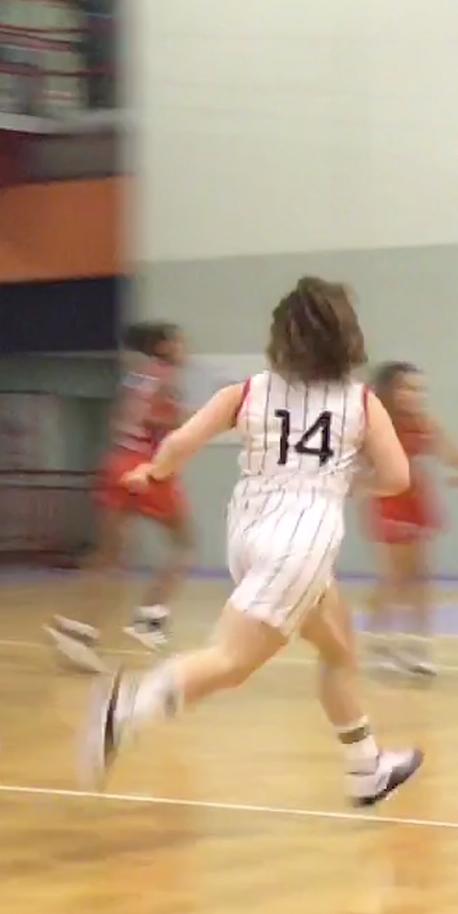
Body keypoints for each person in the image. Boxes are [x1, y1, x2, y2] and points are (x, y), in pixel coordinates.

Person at [80, 277, 423, 808]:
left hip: (248, 533)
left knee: (339, 650)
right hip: (302, 541)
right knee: (232, 661)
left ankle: (367, 768)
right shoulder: (362, 402)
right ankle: (128, 707)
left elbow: (179, 443)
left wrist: (153, 472)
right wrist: (350, 482)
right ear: (346, 337)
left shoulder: (247, 391)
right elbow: (398, 476)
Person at [47, 321, 194, 671]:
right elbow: (162, 421)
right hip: (145, 466)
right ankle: (150, 617)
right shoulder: (164, 379)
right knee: (185, 543)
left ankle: (79, 626)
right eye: (179, 342)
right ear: (163, 346)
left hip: (116, 462)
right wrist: (200, 421)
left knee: (109, 554)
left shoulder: (133, 378)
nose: (185, 348)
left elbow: (120, 420)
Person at [362, 361, 458, 677]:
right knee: (396, 575)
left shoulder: (423, 422)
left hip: (417, 499)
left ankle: (417, 644)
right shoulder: (374, 423)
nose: (414, 394)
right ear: (390, 390)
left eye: (418, 388)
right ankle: (380, 643)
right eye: (406, 387)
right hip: (389, 498)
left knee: (421, 574)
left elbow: (451, 454)